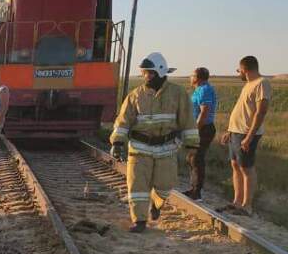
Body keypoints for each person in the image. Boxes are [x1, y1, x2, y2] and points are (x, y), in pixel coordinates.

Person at [109, 52, 197, 232]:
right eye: (144, 73)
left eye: (149, 73)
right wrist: (117, 142)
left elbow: (188, 119)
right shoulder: (135, 95)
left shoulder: (178, 93)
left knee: (166, 184)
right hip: (139, 149)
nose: (146, 76)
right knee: (137, 187)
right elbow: (123, 121)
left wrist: (192, 144)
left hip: (167, 148)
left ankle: (156, 204)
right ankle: (139, 221)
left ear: (161, 72)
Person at [222, 55, 271, 216]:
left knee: (246, 168)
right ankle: (237, 202)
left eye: (238, 70)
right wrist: (230, 130)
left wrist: (249, 136)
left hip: (246, 133)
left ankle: (247, 206)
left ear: (245, 69)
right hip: (236, 132)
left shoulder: (261, 83)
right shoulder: (248, 85)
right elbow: (242, 110)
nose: (238, 74)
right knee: (235, 165)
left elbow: (261, 111)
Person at [186, 67, 217, 200]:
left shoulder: (205, 90)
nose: (190, 77)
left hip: (203, 128)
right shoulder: (199, 90)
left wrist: (195, 130)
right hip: (199, 128)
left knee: (197, 159)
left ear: (197, 78)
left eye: (192, 75)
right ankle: (193, 188)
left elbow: (204, 112)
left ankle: (197, 192)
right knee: (192, 158)